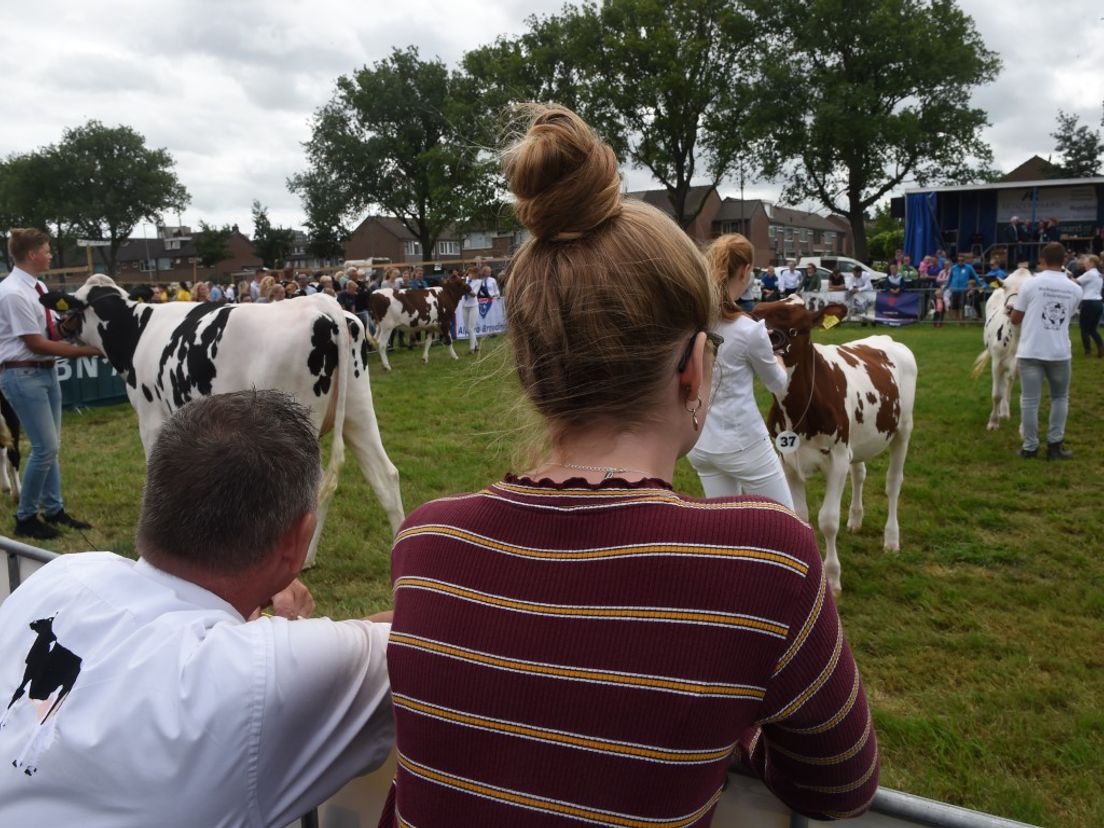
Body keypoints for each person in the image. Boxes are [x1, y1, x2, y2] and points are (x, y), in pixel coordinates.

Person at [381, 103, 878, 827]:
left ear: (526, 371)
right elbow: (840, 788)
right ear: (692, 372)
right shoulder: (765, 560)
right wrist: (735, 725)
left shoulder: (426, 545)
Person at [0, 390, 393, 826]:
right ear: (298, 540)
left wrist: (253, 618)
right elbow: (430, 628)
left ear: (156, 499)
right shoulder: (261, 673)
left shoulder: (62, 576)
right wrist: (283, 633)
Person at [0, 229, 100, 539]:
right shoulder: (13, 292)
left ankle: (54, 509)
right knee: (45, 448)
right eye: (47, 250)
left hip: (42, 372)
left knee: (50, 448)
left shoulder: (38, 287)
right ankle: (26, 516)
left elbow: (48, 333)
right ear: (32, 254)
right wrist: (87, 351)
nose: (51, 255)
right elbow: (35, 344)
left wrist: (67, 325)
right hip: (22, 372)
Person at [688, 234, 794, 508]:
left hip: (700, 442)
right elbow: (777, 384)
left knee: (725, 531)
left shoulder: (693, 320)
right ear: (745, 271)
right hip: (743, 443)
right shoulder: (749, 330)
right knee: (785, 520)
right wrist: (778, 355)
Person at [1011, 242, 1083, 459]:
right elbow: (1067, 316)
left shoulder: (1030, 285)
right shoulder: (1076, 289)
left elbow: (1016, 319)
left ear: (1042, 261)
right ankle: (1055, 446)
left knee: (1030, 401)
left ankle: (1030, 447)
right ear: (1063, 262)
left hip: (1031, 350)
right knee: (1060, 397)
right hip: (1059, 351)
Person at [1075, 254, 1103, 357]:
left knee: (1084, 328)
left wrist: (1066, 276)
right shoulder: (1099, 274)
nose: (1084, 264)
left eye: (1086, 262)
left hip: (1088, 302)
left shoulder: (1089, 273)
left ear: (1091, 263)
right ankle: (1101, 347)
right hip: (1098, 302)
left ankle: (1087, 351)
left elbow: (1075, 282)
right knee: (1092, 329)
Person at [947, 254, 979, 322]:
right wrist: (946, 287)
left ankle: (963, 320)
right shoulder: (953, 268)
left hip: (964, 289)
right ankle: (957, 321)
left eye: (962, 260)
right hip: (954, 289)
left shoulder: (969, 267)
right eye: (959, 260)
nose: (960, 261)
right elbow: (949, 278)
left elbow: (976, 277)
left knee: (962, 306)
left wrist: (981, 284)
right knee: (955, 306)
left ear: (964, 261)